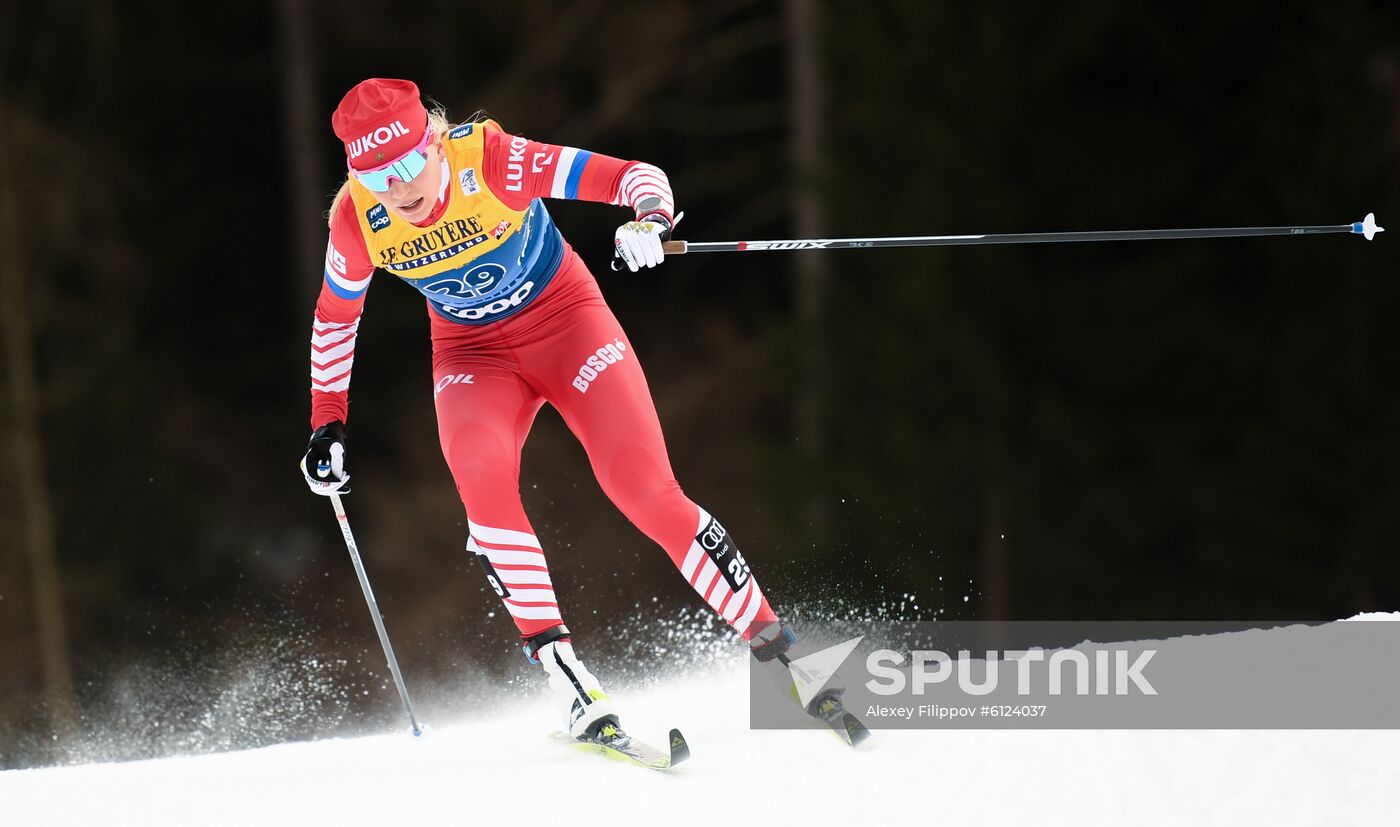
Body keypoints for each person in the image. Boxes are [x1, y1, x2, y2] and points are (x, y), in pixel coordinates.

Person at [299, 78, 794, 742]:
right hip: (472, 355)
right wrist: (327, 421)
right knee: (478, 470)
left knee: (643, 488)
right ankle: (567, 678)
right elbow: (335, 319)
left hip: (568, 326)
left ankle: (780, 651)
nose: (401, 187)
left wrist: (650, 220)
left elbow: (634, 177)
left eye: (412, 162)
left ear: (437, 143)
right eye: (379, 174)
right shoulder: (359, 220)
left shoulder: (496, 161)